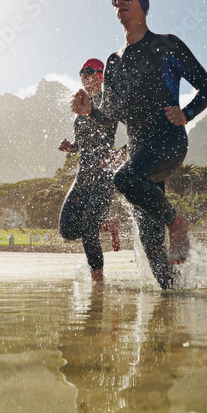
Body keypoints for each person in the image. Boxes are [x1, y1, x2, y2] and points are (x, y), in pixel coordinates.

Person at [71, 0, 207, 289]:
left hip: (168, 144)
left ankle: (177, 223)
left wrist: (186, 113)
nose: (119, 2)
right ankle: (180, 292)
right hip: (140, 159)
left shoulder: (167, 44)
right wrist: (88, 112)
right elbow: (111, 115)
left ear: (144, 4)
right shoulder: (114, 62)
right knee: (153, 247)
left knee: (122, 179)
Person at [58, 58, 122, 282]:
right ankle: (109, 225)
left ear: (101, 75)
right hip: (83, 175)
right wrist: (71, 147)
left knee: (88, 232)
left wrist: (122, 152)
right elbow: (85, 143)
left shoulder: (108, 101)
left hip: (104, 175)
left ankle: (98, 284)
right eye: (81, 72)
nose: (84, 76)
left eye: (89, 71)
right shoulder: (80, 107)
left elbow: (121, 126)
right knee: (67, 230)